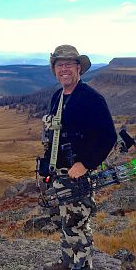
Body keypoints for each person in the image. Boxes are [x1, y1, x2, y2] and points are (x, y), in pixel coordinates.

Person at [42, 45, 117, 270]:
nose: (63, 69)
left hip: (78, 176)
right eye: (59, 65)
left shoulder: (91, 98)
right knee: (64, 223)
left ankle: (82, 267)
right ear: (54, 69)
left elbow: (108, 136)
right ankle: (68, 262)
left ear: (79, 69)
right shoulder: (58, 96)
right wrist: (48, 166)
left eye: (68, 65)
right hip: (59, 174)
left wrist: (85, 163)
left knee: (77, 225)